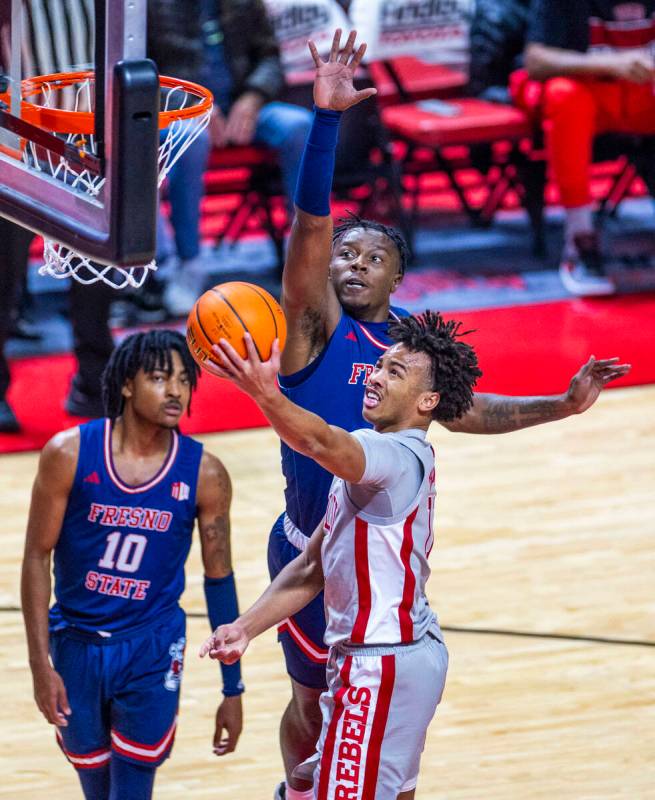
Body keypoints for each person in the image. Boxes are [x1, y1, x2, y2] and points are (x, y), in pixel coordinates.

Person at [240, 28, 632, 800]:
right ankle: (298, 787)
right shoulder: (312, 326)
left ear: (397, 277)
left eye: (369, 257)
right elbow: (309, 230)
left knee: (372, 720)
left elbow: (467, 410)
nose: (349, 263)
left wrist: (560, 403)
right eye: (344, 255)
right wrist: (325, 121)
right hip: (302, 542)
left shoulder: (411, 351)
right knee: (311, 703)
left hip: (370, 558)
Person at [200, 311, 482, 799]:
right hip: (399, 654)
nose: (375, 375)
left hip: (382, 663)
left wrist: (265, 393)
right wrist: (244, 628)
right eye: (380, 364)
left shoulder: (390, 456)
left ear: (427, 401)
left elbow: (316, 439)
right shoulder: (378, 462)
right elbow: (310, 569)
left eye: (395, 372)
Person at [21, 330, 243, 800]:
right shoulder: (68, 454)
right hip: (76, 645)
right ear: (125, 384)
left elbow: (219, 579)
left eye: (184, 380)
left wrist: (232, 687)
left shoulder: (205, 473)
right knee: (95, 784)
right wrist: (40, 665)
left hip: (152, 645)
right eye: (161, 378)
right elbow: (37, 557)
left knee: (134, 788)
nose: (176, 391)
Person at [147, 0, 313, 316]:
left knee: (299, 126)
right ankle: (189, 263)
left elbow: (270, 58)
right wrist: (194, 103)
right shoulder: (149, 6)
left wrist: (253, 98)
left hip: (243, 105)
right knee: (190, 140)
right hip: (181, 112)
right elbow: (142, 72)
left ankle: (306, 254)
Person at [524, 0, 655, 296]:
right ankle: (580, 239)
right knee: (564, 96)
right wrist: (610, 64)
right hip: (590, 95)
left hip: (644, 97)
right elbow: (535, 60)